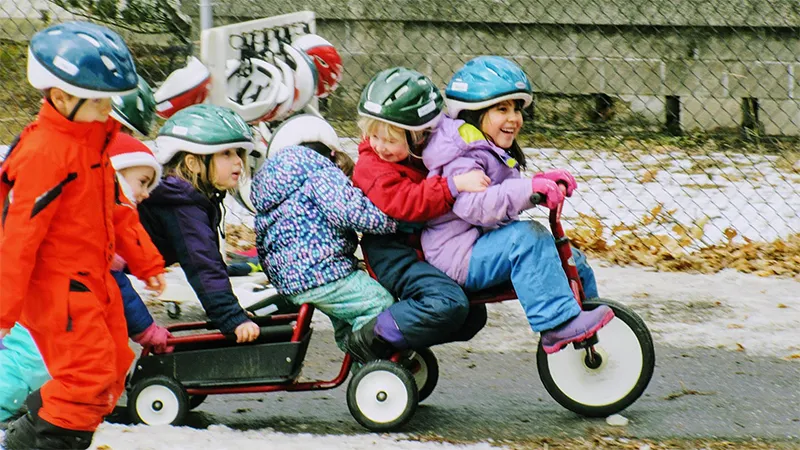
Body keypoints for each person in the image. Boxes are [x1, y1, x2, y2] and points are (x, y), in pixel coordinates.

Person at [0, 21, 166, 449]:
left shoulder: (91, 144)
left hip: (92, 279)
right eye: (98, 101)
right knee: (86, 378)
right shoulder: (44, 153)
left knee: (111, 368)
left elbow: (116, 209)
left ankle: (31, 437)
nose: (108, 110)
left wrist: (146, 260)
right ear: (61, 97)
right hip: (56, 286)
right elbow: (16, 240)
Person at [421, 56, 613, 355]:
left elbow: (502, 195)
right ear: (474, 112)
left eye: (517, 109)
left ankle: (589, 325)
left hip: (482, 245)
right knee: (528, 238)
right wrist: (528, 189)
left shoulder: (488, 147)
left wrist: (540, 183)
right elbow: (474, 207)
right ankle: (557, 324)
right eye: (502, 109)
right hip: (458, 256)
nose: (514, 118)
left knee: (571, 258)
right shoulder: (461, 156)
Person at [0, 133, 172, 426]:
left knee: (58, 362)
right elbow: (117, 287)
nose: (145, 193)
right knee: (31, 360)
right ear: (113, 174)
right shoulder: (87, 213)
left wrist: (150, 266)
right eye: (142, 182)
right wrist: (145, 330)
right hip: (37, 303)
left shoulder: (108, 216)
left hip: (54, 305)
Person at [346, 67, 492, 362]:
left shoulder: (424, 156)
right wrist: (453, 186)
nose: (380, 146)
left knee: (473, 314)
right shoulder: (371, 168)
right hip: (394, 253)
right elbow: (406, 202)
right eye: (374, 136)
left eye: (390, 139)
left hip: (423, 247)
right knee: (449, 304)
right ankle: (371, 336)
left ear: (418, 136)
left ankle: (401, 341)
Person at [250, 114, 397, 350]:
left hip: (291, 278)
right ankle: (374, 371)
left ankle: (367, 366)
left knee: (350, 323)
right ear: (329, 151)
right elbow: (351, 211)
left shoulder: (274, 181)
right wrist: (392, 221)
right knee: (379, 305)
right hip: (323, 272)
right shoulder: (318, 171)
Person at [138, 104, 261, 343]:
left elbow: (206, 258)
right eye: (226, 153)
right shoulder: (182, 203)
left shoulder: (188, 194)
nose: (237, 161)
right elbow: (203, 264)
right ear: (193, 163)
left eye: (238, 152)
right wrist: (231, 317)